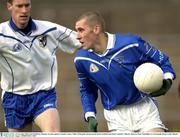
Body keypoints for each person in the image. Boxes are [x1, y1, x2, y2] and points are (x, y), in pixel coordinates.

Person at [74, 11, 176, 132]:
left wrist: (167, 80)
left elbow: (162, 60)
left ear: (96, 29)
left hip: (143, 108)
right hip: (115, 117)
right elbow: (87, 90)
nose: (77, 36)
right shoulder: (81, 59)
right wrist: (90, 114)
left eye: (81, 30)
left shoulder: (131, 44)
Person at [0, 0, 81, 132]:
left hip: (43, 95)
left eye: (27, 5)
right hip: (14, 99)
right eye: (19, 6)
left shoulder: (49, 29)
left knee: (53, 134)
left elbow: (81, 40)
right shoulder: (1, 33)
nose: (24, 10)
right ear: (9, 6)